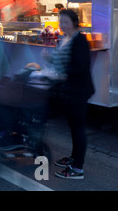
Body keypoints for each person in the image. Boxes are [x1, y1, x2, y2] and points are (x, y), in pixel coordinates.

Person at [43, 9, 94, 179]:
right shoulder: (65, 39)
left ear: (74, 22)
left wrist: (64, 74)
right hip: (68, 89)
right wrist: (49, 59)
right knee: (73, 126)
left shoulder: (80, 40)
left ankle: (78, 168)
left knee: (78, 128)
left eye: (65, 21)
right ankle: (74, 158)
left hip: (78, 90)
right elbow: (61, 62)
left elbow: (80, 66)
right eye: (61, 21)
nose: (62, 24)